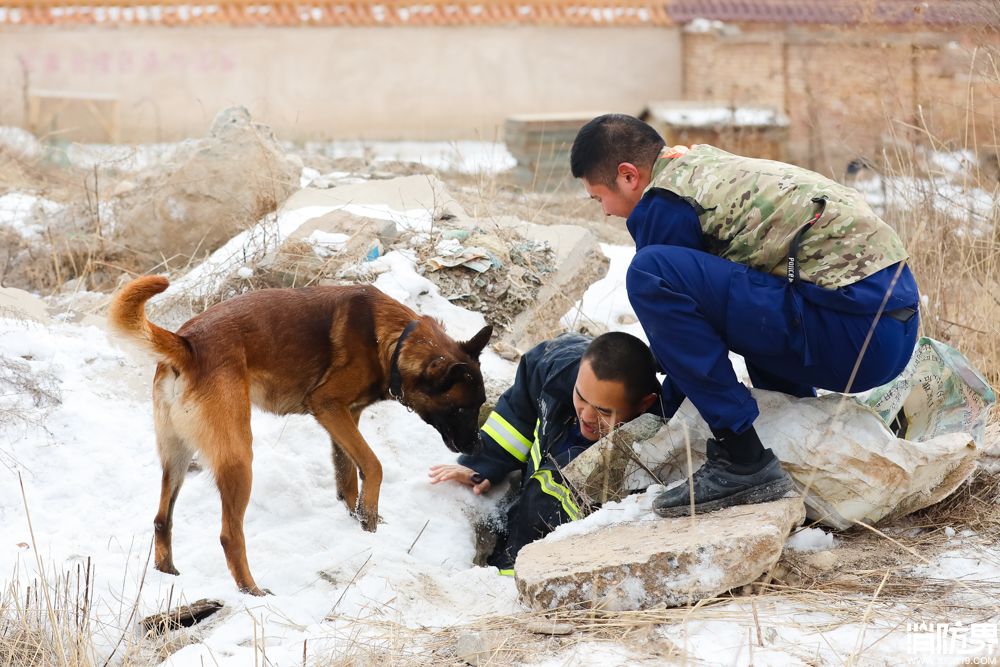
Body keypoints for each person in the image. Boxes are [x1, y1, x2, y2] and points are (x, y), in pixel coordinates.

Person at [569, 114, 920, 518]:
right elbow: (702, 328)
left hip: (853, 336)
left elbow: (684, 332)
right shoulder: (700, 169)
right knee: (748, 288)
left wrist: (654, 421)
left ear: (629, 176)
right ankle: (791, 439)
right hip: (888, 333)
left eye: (599, 199)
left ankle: (743, 458)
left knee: (651, 273)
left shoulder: (664, 204)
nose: (606, 213)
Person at [429, 331, 660, 574]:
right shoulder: (554, 369)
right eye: (581, 397)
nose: (586, 416)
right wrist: (482, 464)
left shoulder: (649, 458)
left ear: (643, 405)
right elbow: (516, 416)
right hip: (515, 526)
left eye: (603, 410)